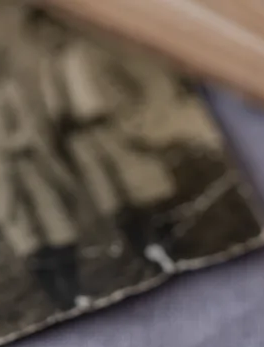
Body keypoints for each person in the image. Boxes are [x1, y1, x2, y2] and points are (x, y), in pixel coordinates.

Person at [23, 9, 179, 273]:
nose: (47, 38)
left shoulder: (90, 51)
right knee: (112, 201)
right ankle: (147, 257)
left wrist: (133, 119)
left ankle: (172, 245)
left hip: (110, 127)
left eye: (49, 30)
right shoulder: (45, 70)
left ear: (61, 27)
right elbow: (49, 113)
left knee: (142, 187)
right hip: (79, 140)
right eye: (38, 36)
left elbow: (131, 83)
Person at [0, 36, 85, 310]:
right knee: (27, 236)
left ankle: (75, 289)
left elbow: (33, 124)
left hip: (31, 164)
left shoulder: (11, 90)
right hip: (0, 175)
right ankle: (58, 297)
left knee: (58, 226)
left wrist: (29, 139)